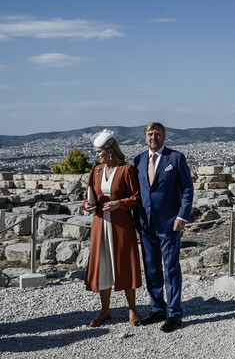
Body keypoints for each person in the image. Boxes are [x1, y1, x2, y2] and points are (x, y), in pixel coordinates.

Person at [134, 122, 194, 333]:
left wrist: (182, 216)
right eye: (150, 134)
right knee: (151, 268)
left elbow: (187, 189)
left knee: (170, 268)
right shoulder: (139, 159)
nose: (153, 138)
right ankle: (158, 307)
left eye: (157, 134)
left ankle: (175, 313)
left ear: (164, 136)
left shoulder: (175, 158)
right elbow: (138, 192)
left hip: (170, 223)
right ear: (145, 137)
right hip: (146, 223)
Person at [82, 129, 142, 327]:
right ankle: (105, 310)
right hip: (100, 224)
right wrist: (87, 205)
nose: (96, 155)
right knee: (103, 266)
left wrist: (119, 203)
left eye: (99, 152)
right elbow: (88, 198)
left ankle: (132, 308)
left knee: (124, 263)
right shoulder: (96, 171)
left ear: (110, 151)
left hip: (121, 224)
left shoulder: (126, 170)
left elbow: (136, 198)